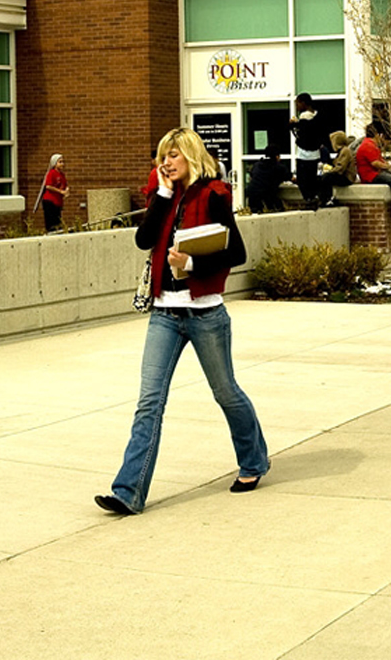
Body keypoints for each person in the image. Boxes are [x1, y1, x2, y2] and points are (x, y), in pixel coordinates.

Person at [96, 127, 266, 517]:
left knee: (226, 393)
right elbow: (143, 240)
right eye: (162, 156)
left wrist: (191, 264)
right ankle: (128, 492)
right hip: (164, 314)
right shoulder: (162, 196)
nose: (165, 162)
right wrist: (162, 194)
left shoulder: (215, 194)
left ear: (190, 154)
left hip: (206, 312)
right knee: (149, 402)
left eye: (172, 155)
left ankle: (254, 461)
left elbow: (236, 251)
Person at [289, 94, 332, 207]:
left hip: (304, 155)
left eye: (298, 103)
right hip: (315, 154)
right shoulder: (317, 117)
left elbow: (303, 134)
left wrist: (293, 125)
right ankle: (314, 198)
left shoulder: (304, 118)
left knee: (303, 180)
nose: (297, 106)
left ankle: (309, 199)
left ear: (304, 103)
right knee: (312, 180)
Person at [246, 149, 290, 214]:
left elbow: (252, 175)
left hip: (252, 192)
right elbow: (290, 177)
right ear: (277, 157)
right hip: (266, 193)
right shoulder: (279, 167)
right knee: (277, 209)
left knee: (256, 212)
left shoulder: (257, 165)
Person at [40, 154, 69, 232]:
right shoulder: (51, 173)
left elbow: (65, 185)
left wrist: (66, 191)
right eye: (60, 162)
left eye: (63, 162)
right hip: (50, 201)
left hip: (58, 202)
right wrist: (60, 191)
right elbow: (48, 186)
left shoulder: (62, 175)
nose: (62, 164)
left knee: (58, 223)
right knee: (51, 224)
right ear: (55, 163)